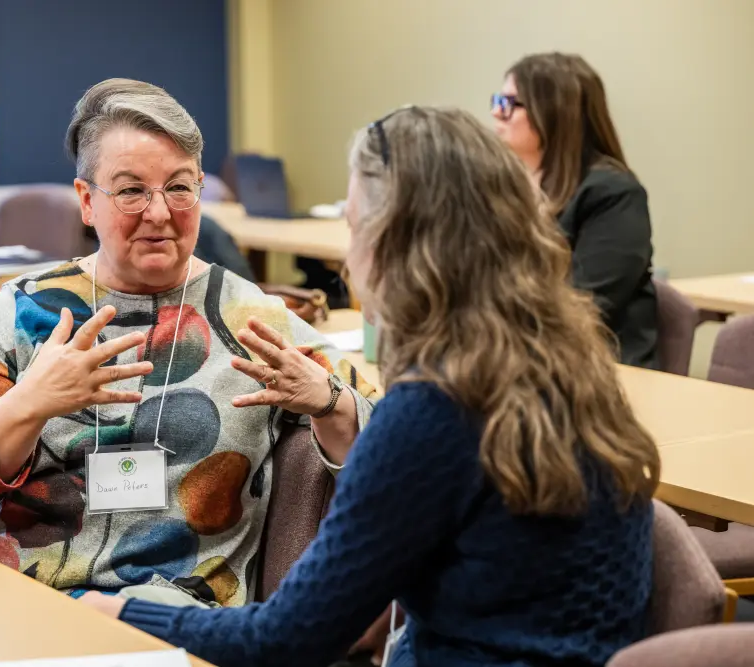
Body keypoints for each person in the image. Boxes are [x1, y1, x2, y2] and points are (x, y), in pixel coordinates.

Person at [83, 106, 661, 667]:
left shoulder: (438, 410)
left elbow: (286, 639)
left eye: (355, 227)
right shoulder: (568, 367)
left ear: (399, 248)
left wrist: (125, 615)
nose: (349, 263)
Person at [0, 78, 376, 606]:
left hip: (180, 615)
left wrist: (331, 403)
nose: (159, 213)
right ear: (87, 202)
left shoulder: (253, 321)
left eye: (179, 187)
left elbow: (393, 451)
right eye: (131, 190)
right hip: (25, 600)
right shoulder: (25, 311)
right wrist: (29, 402)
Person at [492, 52, 659, 369]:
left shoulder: (613, 194)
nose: (496, 113)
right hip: (520, 362)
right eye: (498, 100)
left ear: (554, 113)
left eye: (510, 103)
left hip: (597, 373)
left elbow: (586, 305)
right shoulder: (505, 187)